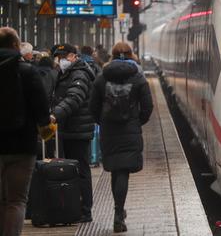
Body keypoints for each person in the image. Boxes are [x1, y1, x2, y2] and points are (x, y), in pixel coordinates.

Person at [89, 42, 153, 233]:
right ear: (131, 54)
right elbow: (147, 107)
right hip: (130, 130)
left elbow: (93, 107)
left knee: (116, 171)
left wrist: (102, 122)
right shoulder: (138, 78)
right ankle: (118, 214)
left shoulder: (102, 78)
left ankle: (118, 211)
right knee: (123, 171)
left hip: (109, 131)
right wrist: (136, 121)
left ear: (113, 55)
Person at [0, 27, 54, 236]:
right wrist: (45, 128)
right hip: (23, 146)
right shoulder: (28, 71)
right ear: (16, 45)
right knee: (16, 200)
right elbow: (42, 111)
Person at [50, 44, 95, 222]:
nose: (60, 60)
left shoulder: (80, 74)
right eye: (58, 57)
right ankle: (75, 207)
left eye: (63, 56)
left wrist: (55, 115)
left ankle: (85, 210)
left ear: (73, 56)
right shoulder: (66, 74)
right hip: (69, 129)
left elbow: (74, 98)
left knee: (81, 170)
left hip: (78, 130)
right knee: (73, 170)